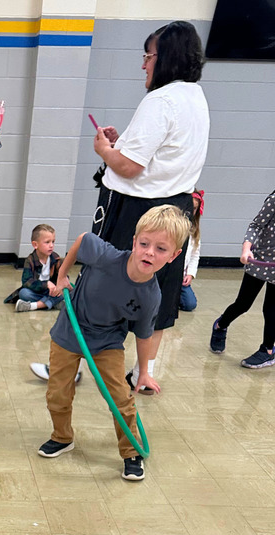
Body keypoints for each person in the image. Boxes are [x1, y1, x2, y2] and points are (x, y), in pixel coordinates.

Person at [92, 21, 209, 392]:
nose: (144, 64)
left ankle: (79, 365)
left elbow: (129, 167)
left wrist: (104, 151)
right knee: (159, 294)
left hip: (137, 212)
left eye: (149, 56)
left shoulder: (161, 100)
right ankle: (144, 373)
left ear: (167, 58)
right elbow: (158, 155)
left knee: (101, 287)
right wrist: (119, 143)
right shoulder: (195, 96)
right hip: (176, 211)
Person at [35, 205, 188, 482]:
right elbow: (82, 240)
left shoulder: (151, 296)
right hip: (71, 330)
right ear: (134, 241)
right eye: (144, 244)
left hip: (107, 342)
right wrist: (61, 275)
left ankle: (131, 451)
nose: (150, 252)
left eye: (161, 249)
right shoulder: (107, 257)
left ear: (174, 256)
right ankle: (62, 437)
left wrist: (144, 371)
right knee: (57, 393)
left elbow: (143, 336)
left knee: (120, 398)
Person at [209, 190, 275, 369]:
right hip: (261, 260)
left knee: (271, 310)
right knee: (243, 304)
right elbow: (256, 226)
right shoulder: (274, 200)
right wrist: (247, 248)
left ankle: (267, 351)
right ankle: (220, 325)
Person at [4, 224, 62, 311]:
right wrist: (46, 284)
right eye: (47, 242)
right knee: (24, 293)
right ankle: (52, 303)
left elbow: (63, 276)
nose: (51, 245)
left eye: (53, 242)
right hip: (36, 291)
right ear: (35, 245)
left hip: (51, 292)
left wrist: (59, 287)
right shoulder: (30, 260)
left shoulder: (56, 258)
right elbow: (27, 282)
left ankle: (33, 306)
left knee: (67, 292)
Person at [179, 187, 203, 311]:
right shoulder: (174, 226)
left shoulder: (194, 231)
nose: (190, 211)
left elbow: (195, 255)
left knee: (190, 305)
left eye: (194, 208)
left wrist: (190, 274)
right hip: (168, 275)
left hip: (182, 276)